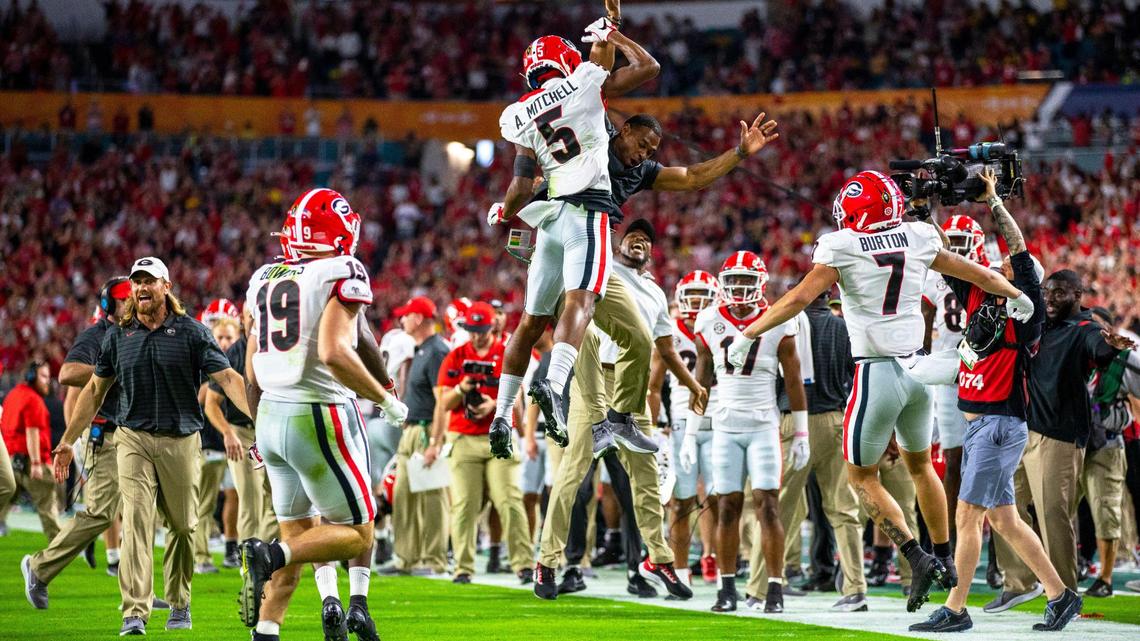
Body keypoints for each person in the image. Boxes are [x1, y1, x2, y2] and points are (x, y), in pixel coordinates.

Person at [729, 170, 1036, 613]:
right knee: (920, 466)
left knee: (861, 477)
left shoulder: (842, 247)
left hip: (877, 374)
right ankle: (945, 558)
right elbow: (978, 275)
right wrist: (1017, 295)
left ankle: (917, 556)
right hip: (919, 372)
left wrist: (748, 334)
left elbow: (797, 299)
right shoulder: (916, 237)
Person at [910, 169, 1081, 633]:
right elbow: (945, 257)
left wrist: (996, 204)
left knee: (968, 517)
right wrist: (925, 212)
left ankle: (956, 608)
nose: (999, 264)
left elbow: (1020, 252)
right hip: (986, 423)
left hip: (998, 422)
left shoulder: (1025, 312)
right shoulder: (977, 294)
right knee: (1005, 521)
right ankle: (1060, 595)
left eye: (1007, 266)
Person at [486, 19, 663, 459]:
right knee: (580, 302)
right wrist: (611, 35)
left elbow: (522, 185)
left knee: (529, 322)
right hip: (588, 211)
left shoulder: (517, 115)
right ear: (566, 61)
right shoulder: (585, 86)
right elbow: (648, 66)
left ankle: (502, 414)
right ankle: (555, 383)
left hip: (548, 219)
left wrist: (503, 213)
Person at [236, 189, 407, 641]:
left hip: (270, 413)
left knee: (299, 544)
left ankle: (266, 632)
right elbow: (335, 351)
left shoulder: (264, 277)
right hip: (315, 412)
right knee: (356, 534)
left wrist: (258, 431)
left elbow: (250, 370)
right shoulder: (342, 269)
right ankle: (266, 556)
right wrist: (386, 399)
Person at [53, 256, 253, 635]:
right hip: (133, 438)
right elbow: (94, 391)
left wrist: (259, 417)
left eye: (149, 281)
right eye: (136, 282)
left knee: (182, 526)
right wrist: (66, 440)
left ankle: (179, 603)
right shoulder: (117, 336)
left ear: (166, 287)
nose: (142, 288)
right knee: (138, 521)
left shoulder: (193, 333)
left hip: (180, 439)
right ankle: (134, 611)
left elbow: (227, 377)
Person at [534, 220, 698, 601]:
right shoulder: (599, 269)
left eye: (647, 238)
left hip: (631, 388)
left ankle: (659, 558)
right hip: (592, 381)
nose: (640, 240)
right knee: (571, 475)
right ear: (618, 243)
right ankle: (548, 559)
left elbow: (666, 348)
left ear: (651, 251)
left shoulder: (656, 292)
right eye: (633, 236)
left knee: (646, 481)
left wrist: (692, 384)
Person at [989, 269, 1135, 611]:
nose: (1051, 298)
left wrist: (1109, 348)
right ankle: (1019, 581)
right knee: (1002, 505)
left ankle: (1064, 594)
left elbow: (1097, 346)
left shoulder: (1086, 328)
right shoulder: (1040, 323)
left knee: (1054, 516)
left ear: (1078, 296)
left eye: (1060, 293)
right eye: (1047, 291)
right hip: (1022, 430)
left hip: (1059, 435)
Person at [688, 251, 808, 614]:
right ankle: (727, 589)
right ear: (724, 285)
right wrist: (694, 429)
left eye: (746, 281)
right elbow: (702, 378)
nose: (740, 288)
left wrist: (801, 432)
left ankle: (774, 588)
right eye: (734, 281)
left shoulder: (778, 320)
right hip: (725, 424)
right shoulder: (708, 319)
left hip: (763, 425)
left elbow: (793, 378)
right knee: (726, 507)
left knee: (768, 507)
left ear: (760, 284)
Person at [20, 277, 142, 610]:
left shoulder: (138, 331)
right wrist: (110, 371)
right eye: (123, 299)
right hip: (103, 436)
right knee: (102, 513)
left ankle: (138, 595)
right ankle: (39, 567)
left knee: (139, 511)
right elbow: (68, 373)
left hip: (133, 433)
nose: (131, 302)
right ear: (108, 306)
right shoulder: (98, 334)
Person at [744, 287, 868, 613]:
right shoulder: (845, 327)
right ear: (828, 297)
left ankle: (760, 586)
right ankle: (856, 589)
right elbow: (855, 377)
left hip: (792, 424)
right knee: (844, 509)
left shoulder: (783, 323)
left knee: (776, 509)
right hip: (836, 420)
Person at [429, 301, 532, 584]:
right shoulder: (456, 356)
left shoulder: (506, 353)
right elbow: (443, 402)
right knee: (464, 505)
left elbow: (518, 397)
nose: (476, 335)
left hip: (498, 438)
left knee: (509, 500)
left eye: (481, 329)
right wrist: (463, 388)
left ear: (493, 327)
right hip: (462, 437)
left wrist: (495, 408)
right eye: (472, 330)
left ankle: (523, 564)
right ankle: (463, 567)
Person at [650, 270, 720, 587]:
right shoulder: (668, 331)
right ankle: (679, 570)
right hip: (680, 420)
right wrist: (655, 427)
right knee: (682, 499)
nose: (695, 304)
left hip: (720, 417)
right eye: (690, 297)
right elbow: (652, 387)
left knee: (719, 496)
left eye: (701, 297)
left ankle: (715, 557)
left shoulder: (722, 327)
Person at [380, 296, 450, 576]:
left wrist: (436, 440)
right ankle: (406, 559)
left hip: (426, 430)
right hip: (411, 430)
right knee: (403, 495)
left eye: (406, 315)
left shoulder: (437, 351)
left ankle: (434, 561)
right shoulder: (422, 350)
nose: (402, 320)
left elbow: (443, 401)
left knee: (432, 497)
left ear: (419, 318)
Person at [921, 215, 974, 541]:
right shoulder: (934, 278)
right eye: (950, 239)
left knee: (983, 461)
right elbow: (924, 325)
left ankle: (993, 547)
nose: (955, 247)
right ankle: (951, 540)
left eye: (962, 241)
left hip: (983, 376)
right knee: (953, 460)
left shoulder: (986, 271)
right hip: (949, 378)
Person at [1078, 307, 1129, 599]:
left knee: (1106, 510)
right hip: (1071, 443)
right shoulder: (1074, 353)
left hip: (1106, 446)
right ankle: (1064, 570)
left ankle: (1106, 577)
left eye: (1098, 328)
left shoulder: (1125, 360)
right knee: (1057, 511)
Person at [194, 307, 243, 574]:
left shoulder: (242, 360)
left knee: (237, 497)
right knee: (206, 502)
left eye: (229, 337)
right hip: (211, 441)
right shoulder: (205, 363)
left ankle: (233, 549)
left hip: (237, 439)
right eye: (220, 337)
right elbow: (200, 399)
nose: (225, 343)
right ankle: (201, 556)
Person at [3, 361, 61, 541]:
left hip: (10, 460)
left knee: (4, 501)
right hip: (30, 462)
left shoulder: (12, 395)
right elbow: (32, 432)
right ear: (31, 377)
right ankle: (60, 549)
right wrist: (37, 463)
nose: (47, 381)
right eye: (43, 376)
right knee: (48, 508)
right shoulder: (33, 399)